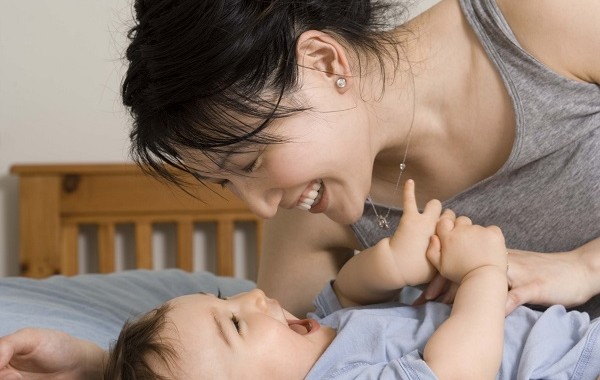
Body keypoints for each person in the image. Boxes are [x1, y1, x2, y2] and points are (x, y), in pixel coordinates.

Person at [120, 0, 600, 318]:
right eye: (228, 183)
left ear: (325, 63)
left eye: (249, 163)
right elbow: (269, 360)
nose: (260, 207)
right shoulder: (311, 220)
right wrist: (113, 366)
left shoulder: (539, 21)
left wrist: (584, 268)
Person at [93, 182, 597, 379]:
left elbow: (351, 291)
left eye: (228, 298)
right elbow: (457, 374)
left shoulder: (321, 333)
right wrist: (484, 273)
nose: (255, 297)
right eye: (238, 326)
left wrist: (393, 266)